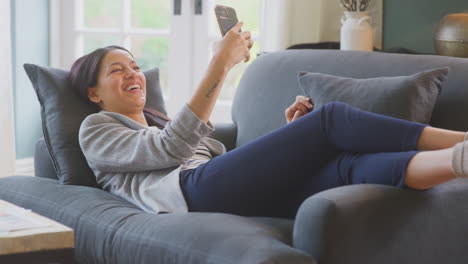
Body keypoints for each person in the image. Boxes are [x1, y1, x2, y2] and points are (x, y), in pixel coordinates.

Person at [71, 22, 468, 219]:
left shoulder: (161, 121)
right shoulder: (96, 128)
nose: (133, 74)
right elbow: (172, 149)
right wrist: (220, 64)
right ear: (94, 92)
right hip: (191, 195)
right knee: (330, 120)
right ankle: (461, 139)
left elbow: (226, 163)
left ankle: (459, 161)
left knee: (349, 168)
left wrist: (291, 135)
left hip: (214, 188)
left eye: (135, 66)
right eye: (117, 70)